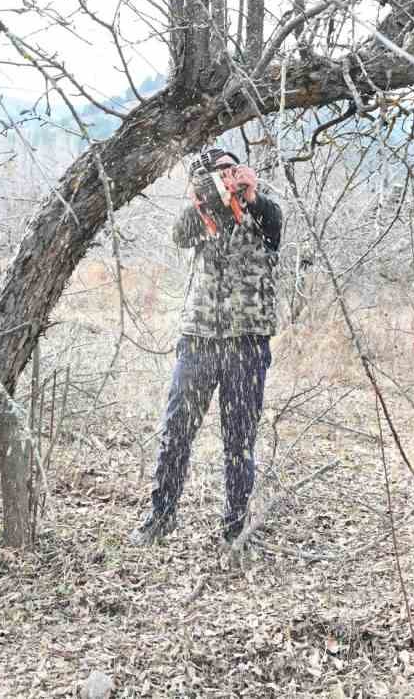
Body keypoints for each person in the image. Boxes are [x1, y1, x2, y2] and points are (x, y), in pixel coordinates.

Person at [128, 147, 283, 547]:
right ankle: (160, 518)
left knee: (239, 440)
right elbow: (179, 236)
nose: (227, 177)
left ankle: (234, 528)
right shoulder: (202, 217)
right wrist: (202, 203)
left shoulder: (262, 212)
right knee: (177, 431)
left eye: (232, 169)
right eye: (219, 173)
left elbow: (274, 228)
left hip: (247, 342)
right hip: (199, 339)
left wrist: (250, 196)